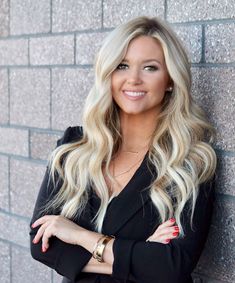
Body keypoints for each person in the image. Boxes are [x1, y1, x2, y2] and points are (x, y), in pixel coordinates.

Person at [30, 16, 217, 283]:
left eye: (150, 68)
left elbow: (172, 266)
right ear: (108, 74)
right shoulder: (74, 150)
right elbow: (42, 246)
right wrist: (139, 255)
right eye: (122, 65)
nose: (133, 79)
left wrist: (80, 237)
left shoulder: (190, 162)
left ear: (170, 80)